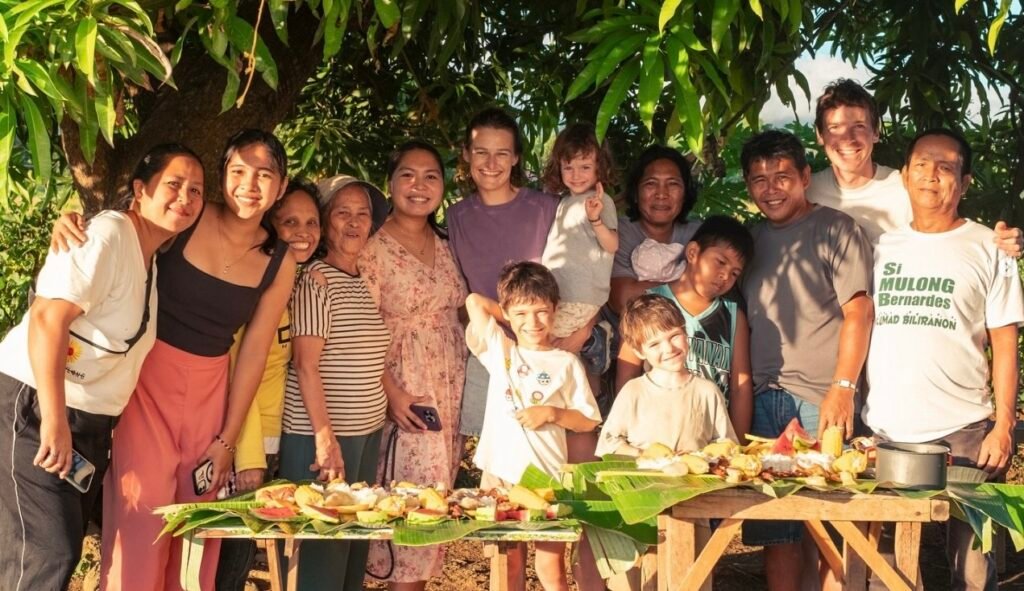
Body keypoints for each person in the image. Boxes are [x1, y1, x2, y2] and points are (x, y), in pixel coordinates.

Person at [59, 130, 295, 590]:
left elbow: (252, 351)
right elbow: (123, 229)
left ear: (281, 187)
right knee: (140, 522)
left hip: (212, 392)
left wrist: (228, 440)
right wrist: (70, 222)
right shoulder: (189, 216)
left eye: (264, 175)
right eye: (238, 172)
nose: (250, 185)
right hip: (148, 382)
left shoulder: (279, 259)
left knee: (196, 532)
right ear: (222, 179)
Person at [0, 145, 204, 590]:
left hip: (86, 424)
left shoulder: (151, 256)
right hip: (35, 406)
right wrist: (53, 420)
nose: (184, 198)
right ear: (139, 189)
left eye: (196, 191)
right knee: (46, 553)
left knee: (38, 553)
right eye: (173, 185)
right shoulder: (109, 234)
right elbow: (47, 318)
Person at [862, 129, 1023, 590]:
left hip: (967, 428)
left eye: (946, 167)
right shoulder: (882, 246)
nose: (932, 175)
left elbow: (1005, 343)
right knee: (884, 565)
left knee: (972, 566)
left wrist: (1004, 423)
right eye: (922, 165)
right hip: (887, 431)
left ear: (965, 182)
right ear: (906, 175)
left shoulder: (990, 248)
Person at [738, 130, 873, 591]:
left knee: (828, 522)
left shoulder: (836, 228)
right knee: (776, 528)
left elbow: (859, 310)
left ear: (804, 178)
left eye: (781, 176)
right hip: (763, 400)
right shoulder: (751, 241)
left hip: (820, 398)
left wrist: (843, 388)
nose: (770, 188)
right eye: (758, 179)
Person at [360, 141, 469, 590]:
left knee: (435, 498)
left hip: (450, 384)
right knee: (407, 503)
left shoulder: (448, 243)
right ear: (390, 181)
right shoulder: (372, 247)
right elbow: (360, 330)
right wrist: (390, 392)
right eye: (408, 174)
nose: (419, 186)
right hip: (405, 388)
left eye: (431, 176)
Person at [278, 176, 391, 590]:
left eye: (362, 214)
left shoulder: (360, 280)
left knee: (350, 554)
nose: (354, 222)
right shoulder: (315, 281)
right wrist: (326, 439)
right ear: (325, 222)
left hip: (363, 435)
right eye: (342, 212)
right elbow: (306, 367)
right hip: (320, 438)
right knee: (320, 561)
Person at [465, 261, 601, 591]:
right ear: (509, 315)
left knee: (549, 563)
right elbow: (474, 302)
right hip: (500, 475)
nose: (533, 322)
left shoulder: (566, 363)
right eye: (522, 314)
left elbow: (588, 420)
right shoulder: (500, 350)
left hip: (545, 477)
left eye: (541, 311)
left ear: (555, 310)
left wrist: (553, 413)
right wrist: (511, 311)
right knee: (507, 560)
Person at [215, 180, 323, 591]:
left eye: (312, 222)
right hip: (243, 442)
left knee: (243, 558)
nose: (303, 231)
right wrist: (246, 455)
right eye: (290, 221)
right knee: (229, 559)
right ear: (268, 226)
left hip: (273, 441)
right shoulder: (253, 287)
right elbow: (235, 371)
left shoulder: (294, 281)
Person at [808, 78, 1023, 254]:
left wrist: (1000, 242)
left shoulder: (907, 187)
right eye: (835, 127)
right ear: (819, 135)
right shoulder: (805, 192)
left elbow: (952, 234)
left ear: (876, 132)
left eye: (859, 126)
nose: (848, 138)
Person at [447, 107, 559, 442]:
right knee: (493, 460)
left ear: (515, 159)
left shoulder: (546, 208)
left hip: (547, 347)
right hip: (490, 353)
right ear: (467, 155)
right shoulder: (456, 216)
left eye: (502, 154)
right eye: (481, 152)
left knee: (551, 454)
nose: (491, 164)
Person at [615, 215, 755, 439]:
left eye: (735, 273)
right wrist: (626, 430)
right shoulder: (649, 303)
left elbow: (741, 387)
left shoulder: (733, 316)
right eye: (720, 262)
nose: (725, 276)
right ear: (692, 253)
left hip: (711, 439)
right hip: (655, 434)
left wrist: (736, 446)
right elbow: (627, 372)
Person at [597, 293, 736, 457]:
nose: (669, 349)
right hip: (646, 480)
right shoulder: (634, 391)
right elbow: (608, 441)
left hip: (693, 481)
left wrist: (702, 458)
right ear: (639, 351)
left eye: (674, 336)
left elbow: (727, 446)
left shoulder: (708, 391)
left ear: (685, 333)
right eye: (655, 344)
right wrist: (641, 453)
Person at [539, 122, 619, 376]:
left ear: (599, 167)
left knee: (552, 349)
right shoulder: (566, 201)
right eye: (568, 167)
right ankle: (593, 342)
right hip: (561, 292)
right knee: (555, 349)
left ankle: (595, 339)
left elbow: (612, 244)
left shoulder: (600, 200)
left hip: (580, 294)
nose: (576, 174)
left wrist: (596, 219)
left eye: (585, 167)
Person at [607, 145, 702, 315]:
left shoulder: (700, 235)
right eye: (651, 184)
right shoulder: (617, 232)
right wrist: (690, 288)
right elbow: (624, 299)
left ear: (686, 193)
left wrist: (643, 289)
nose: (662, 194)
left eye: (673, 184)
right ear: (635, 193)